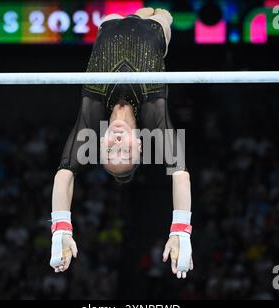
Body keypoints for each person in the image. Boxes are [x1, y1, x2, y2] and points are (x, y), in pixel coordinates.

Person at [49, 8, 194, 279]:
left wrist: (61, 228)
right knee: (162, 15)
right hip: (154, 29)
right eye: (124, 149)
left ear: (99, 141)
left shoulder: (91, 116)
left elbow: (65, 174)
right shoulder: (153, 114)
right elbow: (181, 175)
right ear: (140, 144)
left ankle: (136, 13)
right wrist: (180, 231)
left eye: (110, 149)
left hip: (108, 24)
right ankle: (147, 14)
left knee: (114, 16)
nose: (116, 141)